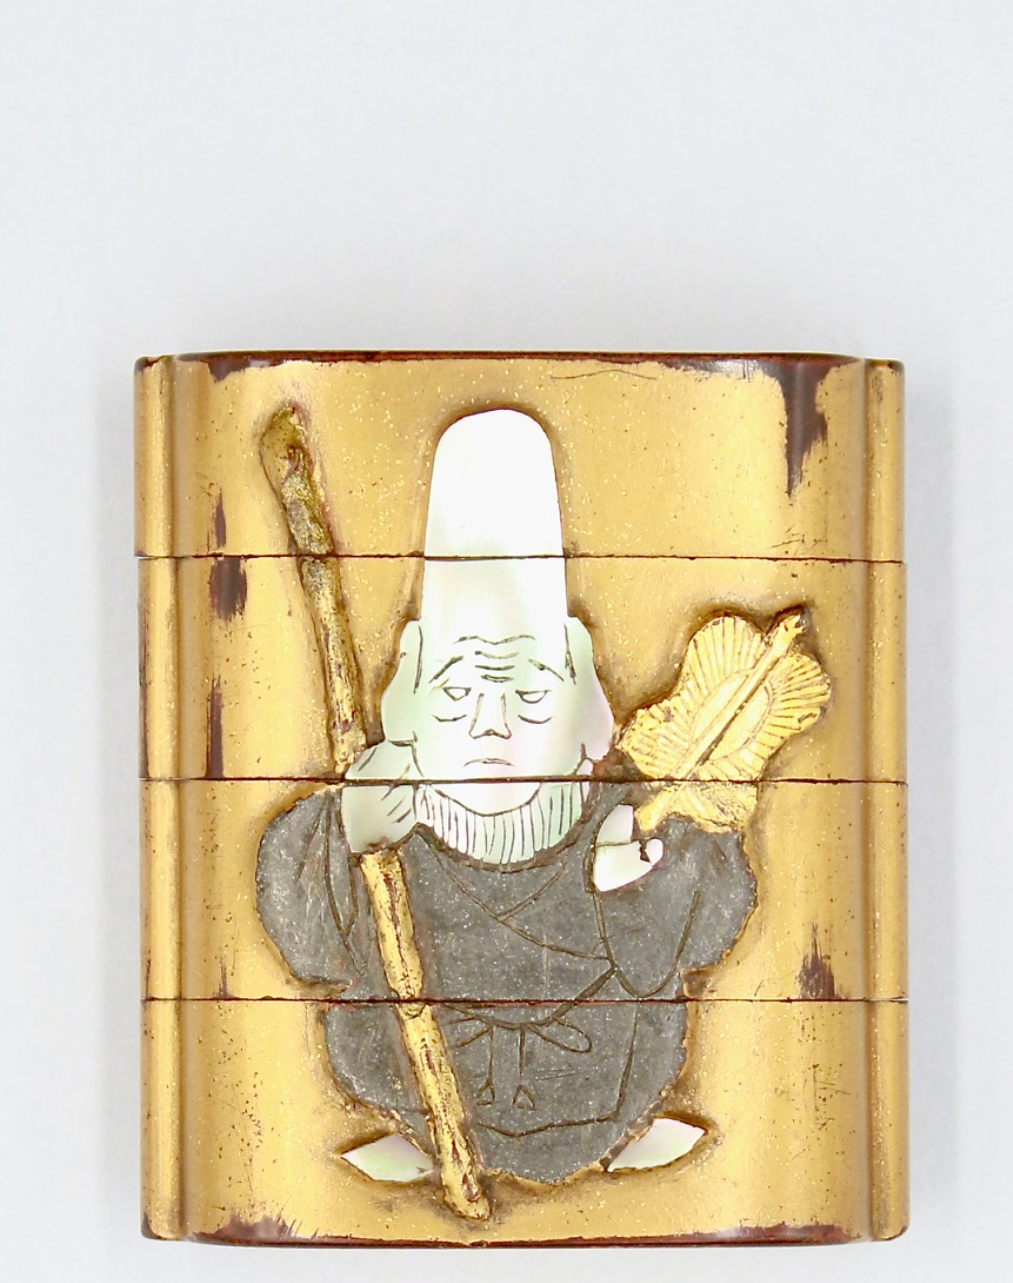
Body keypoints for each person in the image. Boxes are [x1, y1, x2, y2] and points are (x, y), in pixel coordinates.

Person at [256, 409, 756, 1185]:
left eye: (527, 693)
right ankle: (418, 1142)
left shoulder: (618, 811)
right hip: (422, 1091)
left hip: (603, 1077)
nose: (490, 725)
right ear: (408, 688)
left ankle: (619, 1135)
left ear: (585, 696)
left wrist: (638, 880)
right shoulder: (387, 819)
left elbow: (715, 911)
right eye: (457, 692)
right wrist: (348, 828)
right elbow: (303, 933)